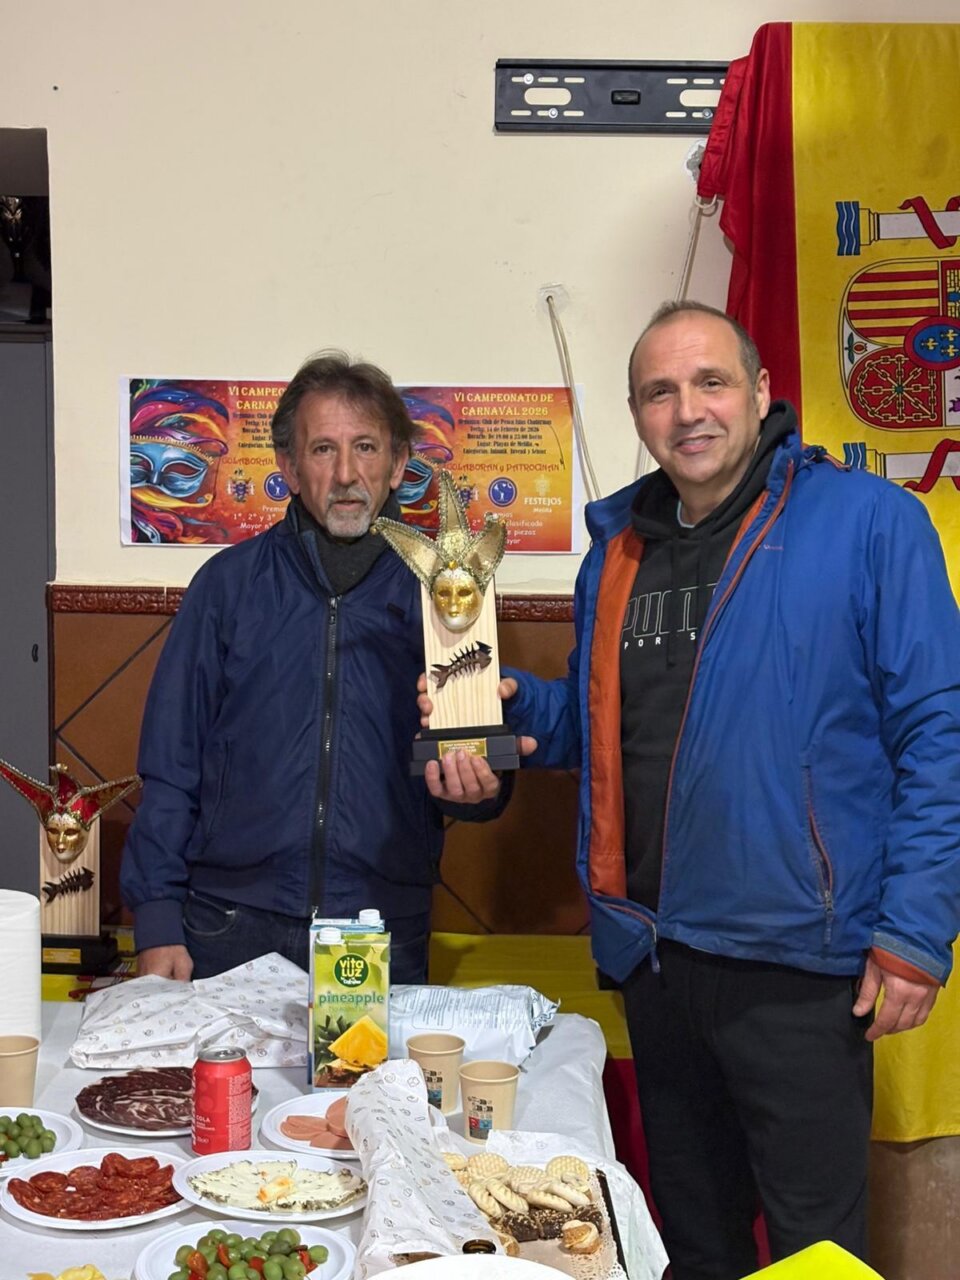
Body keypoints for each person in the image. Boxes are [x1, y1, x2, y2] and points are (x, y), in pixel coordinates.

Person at [447, 301, 960, 1279]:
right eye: (660, 391)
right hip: (657, 959)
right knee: (697, 1244)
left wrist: (915, 933)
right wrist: (515, 713)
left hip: (800, 965)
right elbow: (618, 726)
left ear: (763, 393)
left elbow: (941, 727)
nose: (689, 409)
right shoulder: (620, 551)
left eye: (711, 381)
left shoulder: (868, 521)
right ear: (637, 413)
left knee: (815, 1255)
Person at [121, 351, 510, 985]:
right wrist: (158, 916)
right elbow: (171, 763)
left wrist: (485, 788)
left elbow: (476, 754)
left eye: (366, 447)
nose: (348, 473)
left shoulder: (445, 592)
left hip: (380, 923)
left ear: (398, 466)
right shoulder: (226, 587)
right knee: (225, 1091)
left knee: (375, 1091)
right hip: (230, 921)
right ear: (290, 468)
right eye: (324, 449)